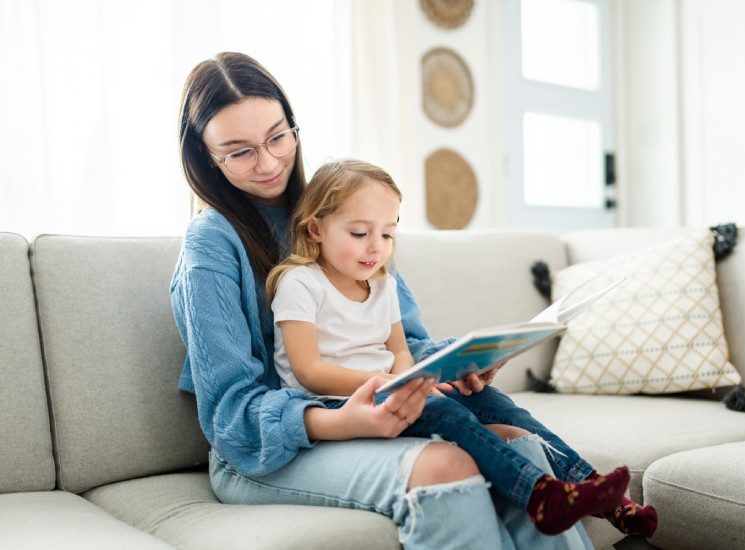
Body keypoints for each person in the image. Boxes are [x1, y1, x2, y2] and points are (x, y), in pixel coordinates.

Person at [169, 51, 644, 550]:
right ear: (205, 156)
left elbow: (402, 342)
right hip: (264, 450)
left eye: (277, 137)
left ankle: (596, 495)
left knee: (520, 446)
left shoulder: (339, 212)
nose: (268, 162)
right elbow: (230, 415)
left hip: (375, 402)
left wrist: (457, 362)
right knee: (447, 466)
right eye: (240, 151)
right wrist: (340, 420)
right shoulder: (211, 245)